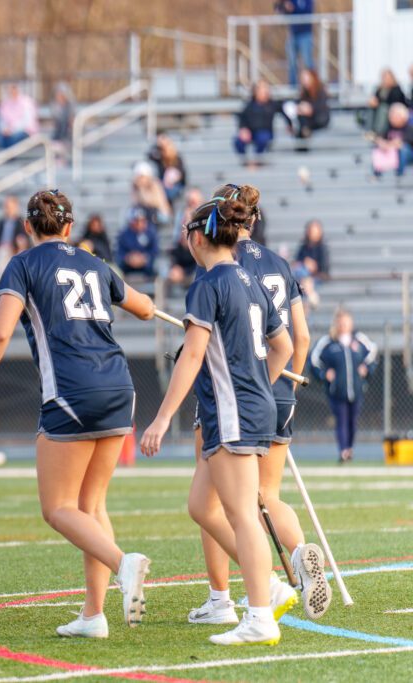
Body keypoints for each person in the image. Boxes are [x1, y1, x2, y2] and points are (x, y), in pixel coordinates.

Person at [0, 189, 155, 638]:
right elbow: (144, 308)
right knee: (91, 505)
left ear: (28, 227)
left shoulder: (23, 265)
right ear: (70, 226)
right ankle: (93, 615)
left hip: (71, 390)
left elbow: (0, 333)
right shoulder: (94, 263)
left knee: (58, 508)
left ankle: (123, 563)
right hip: (120, 385)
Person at [141, 197, 294, 646]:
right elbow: (282, 347)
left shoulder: (208, 284)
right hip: (246, 407)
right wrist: (259, 384)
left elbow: (192, 355)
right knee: (200, 505)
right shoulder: (249, 279)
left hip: (233, 412)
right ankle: (271, 586)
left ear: (197, 236)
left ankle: (261, 614)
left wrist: (163, 417)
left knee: (242, 514)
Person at [185, 184, 330, 629]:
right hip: (278, 390)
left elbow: (203, 341)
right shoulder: (280, 264)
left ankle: (222, 598)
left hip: (232, 391)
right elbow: (299, 339)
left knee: (217, 504)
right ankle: (299, 553)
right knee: (267, 495)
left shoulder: (220, 261)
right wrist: (278, 389)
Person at [311, 309, 377, 463]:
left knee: (352, 421)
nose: (344, 325)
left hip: (356, 390)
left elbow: (373, 354)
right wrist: (324, 374)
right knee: (341, 420)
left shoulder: (359, 340)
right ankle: (343, 451)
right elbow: (313, 360)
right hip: (336, 391)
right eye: (340, 323)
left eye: (346, 322)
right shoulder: (327, 342)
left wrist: (366, 369)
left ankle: (350, 448)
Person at [235, 81, 283, 167]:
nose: (265, 92)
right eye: (262, 90)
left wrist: (290, 124)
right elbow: (242, 119)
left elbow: (285, 110)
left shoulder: (273, 104)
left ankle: (257, 161)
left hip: (265, 132)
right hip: (252, 132)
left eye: (266, 89)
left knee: (263, 137)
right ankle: (245, 161)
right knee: (238, 140)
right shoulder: (249, 105)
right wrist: (243, 129)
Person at [276, 1, 314, 88]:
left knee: (307, 61)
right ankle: (292, 86)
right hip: (293, 34)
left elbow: (307, 11)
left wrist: (293, 9)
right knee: (292, 62)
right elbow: (279, 10)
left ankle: (312, 85)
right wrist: (285, 8)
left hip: (305, 34)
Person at [292, 219, 329, 308]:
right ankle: (311, 295)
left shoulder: (322, 249)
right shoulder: (303, 247)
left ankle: (307, 296)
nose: (312, 233)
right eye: (310, 231)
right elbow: (296, 263)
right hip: (302, 278)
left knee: (305, 277)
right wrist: (304, 264)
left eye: (314, 231)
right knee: (301, 271)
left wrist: (314, 267)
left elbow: (324, 270)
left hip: (315, 278)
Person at [371, 103, 413, 178]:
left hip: (408, 154)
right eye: (391, 116)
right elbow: (380, 138)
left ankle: (400, 173)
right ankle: (377, 172)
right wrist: (382, 143)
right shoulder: (388, 128)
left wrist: (389, 144)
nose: (392, 118)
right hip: (391, 152)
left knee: (403, 149)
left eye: (396, 116)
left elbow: (401, 143)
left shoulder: (409, 128)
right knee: (378, 148)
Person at [116, 207, 159, 279]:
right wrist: (129, 258)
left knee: (156, 269)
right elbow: (120, 252)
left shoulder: (151, 232)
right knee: (117, 271)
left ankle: (152, 289)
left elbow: (155, 251)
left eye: (142, 220)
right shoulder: (124, 234)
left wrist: (144, 258)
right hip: (128, 264)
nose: (139, 223)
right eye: (137, 221)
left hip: (146, 264)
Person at [365, 68, 407, 137]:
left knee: (383, 109)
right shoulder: (380, 89)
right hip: (381, 110)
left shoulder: (396, 89)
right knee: (371, 109)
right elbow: (376, 98)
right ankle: (370, 130)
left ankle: (379, 132)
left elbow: (395, 101)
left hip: (394, 110)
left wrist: (379, 102)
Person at [0, 83, 39, 148]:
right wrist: (5, 129)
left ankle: (9, 157)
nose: (12, 91)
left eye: (14, 89)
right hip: (8, 133)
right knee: (2, 139)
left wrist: (12, 130)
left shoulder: (26, 102)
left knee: (12, 139)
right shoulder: (4, 104)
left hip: (25, 132)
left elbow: (27, 122)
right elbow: (1, 120)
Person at [147, 134, 187, 204]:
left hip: (175, 186)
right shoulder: (159, 158)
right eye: (161, 148)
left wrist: (173, 178)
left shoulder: (177, 158)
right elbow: (149, 155)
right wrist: (157, 145)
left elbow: (182, 175)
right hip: (163, 186)